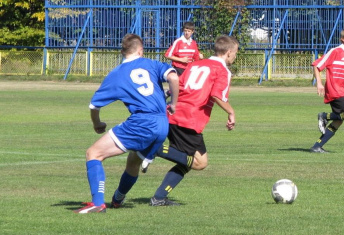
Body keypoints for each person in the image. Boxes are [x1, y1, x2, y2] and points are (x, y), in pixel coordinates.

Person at [74, 34, 179, 213]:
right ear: (140, 50)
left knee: (93, 153)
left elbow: (94, 105)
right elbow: (174, 78)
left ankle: (98, 203)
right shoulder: (151, 64)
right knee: (133, 162)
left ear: (123, 52)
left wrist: (97, 123)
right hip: (162, 125)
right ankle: (117, 199)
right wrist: (173, 103)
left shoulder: (117, 74)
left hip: (142, 123)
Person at [146, 35, 238, 206]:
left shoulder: (195, 64)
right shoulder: (222, 71)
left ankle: (158, 198)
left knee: (187, 160)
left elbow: (177, 86)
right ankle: (156, 149)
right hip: (189, 119)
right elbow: (217, 95)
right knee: (200, 163)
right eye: (235, 53)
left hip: (173, 113)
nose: (235, 57)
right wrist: (231, 112)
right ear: (229, 52)